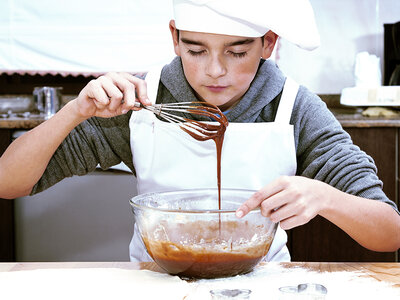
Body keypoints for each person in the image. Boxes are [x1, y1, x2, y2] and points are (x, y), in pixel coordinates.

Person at [0, 0, 399, 262]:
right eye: (195, 50)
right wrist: (75, 110)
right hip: (156, 284)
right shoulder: (142, 102)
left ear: (269, 44)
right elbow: (8, 183)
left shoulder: (295, 108)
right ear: (174, 38)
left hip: (264, 286)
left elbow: (389, 232)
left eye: (237, 51)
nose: (215, 70)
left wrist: (325, 197)